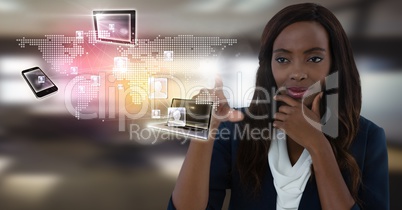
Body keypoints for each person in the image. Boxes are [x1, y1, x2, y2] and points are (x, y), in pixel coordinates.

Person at [168, 3, 389, 210]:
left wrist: (317, 144)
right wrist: (204, 131)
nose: (297, 73)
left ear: (335, 63)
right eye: (283, 60)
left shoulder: (368, 137)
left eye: (314, 59)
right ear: (268, 65)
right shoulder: (237, 127)